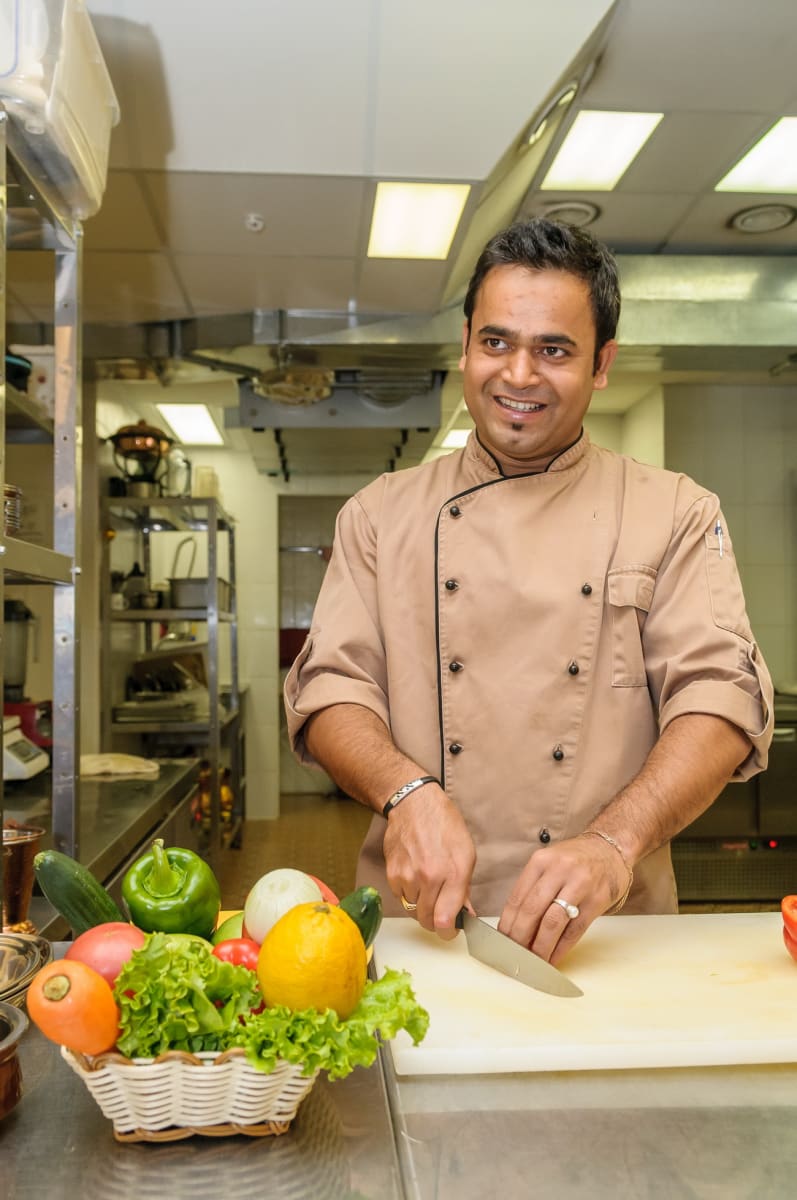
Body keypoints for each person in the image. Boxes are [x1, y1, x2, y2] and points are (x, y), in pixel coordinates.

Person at [284, 218, 773, 965]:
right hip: (419, 930)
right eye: (496, 342)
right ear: (465, 344)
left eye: (553, 350)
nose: (518, 375)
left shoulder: (673, 510)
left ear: (601, 363)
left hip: (614, 934)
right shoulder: (380, 514)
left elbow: (719, 699)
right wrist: (405, 792)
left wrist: (613, 844)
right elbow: (329, 691)